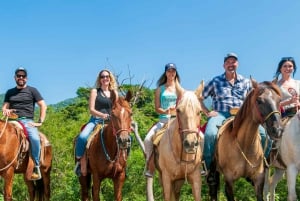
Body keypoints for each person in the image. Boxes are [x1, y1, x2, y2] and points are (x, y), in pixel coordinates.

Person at [199, 53, 270, 178]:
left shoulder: (246, 82)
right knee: (209, 134)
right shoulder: (215, 81)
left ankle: (262, 163)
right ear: (224, 65)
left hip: (242, 116)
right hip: (220, 114)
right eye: (228, 62)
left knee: (265, 136)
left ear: (237, 64)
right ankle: (207, 166)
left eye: (233, 62)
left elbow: (253, 100)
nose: (231, 64)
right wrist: (207, 112)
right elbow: (199, 98)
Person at [2, 67, 47, 180]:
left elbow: (43, 105)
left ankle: (36, 166)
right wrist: (6, 110)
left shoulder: (33, 91)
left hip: (27, 121)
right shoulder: (10, 92)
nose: (21, 78)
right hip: (12, 120)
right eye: (18, 76)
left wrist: (40, 122)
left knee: (35, 139)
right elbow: (5, 107)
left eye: (23, 76)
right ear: (15, 78)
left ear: (26, 78)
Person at [74, 69, 118, 176]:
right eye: (102, 77)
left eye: (107, 76)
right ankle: (79, 161)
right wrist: (102, 115)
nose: (105, 78)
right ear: (99, 79)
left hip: (111, 122)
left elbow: (117, 108)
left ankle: (123, 163)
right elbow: (91, 109)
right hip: (96, 120)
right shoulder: (95, 91)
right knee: (83, 137)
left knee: (126, 137)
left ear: (110, 78)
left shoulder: (114, 93)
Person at [143, 63, 183, 177]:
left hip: (178, 121)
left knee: (198, 136)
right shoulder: (159, 89)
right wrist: (165, 111)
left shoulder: (180, 89)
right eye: (169, 71)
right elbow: (157, 108)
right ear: (165, 73)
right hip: (163, 121)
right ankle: (150, 167)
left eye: (173, 71)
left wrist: (176, 109)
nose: (171, 73)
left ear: (176, 73)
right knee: (147, 140)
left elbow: (183, 105)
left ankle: (200, 164)